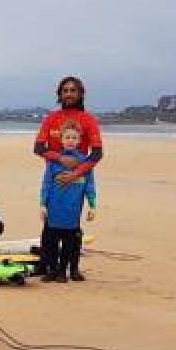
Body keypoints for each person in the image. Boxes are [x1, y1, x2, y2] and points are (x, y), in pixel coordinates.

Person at [39, 122, 97, 282]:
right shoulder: (53, 162)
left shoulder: (86, 163)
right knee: (51, 241)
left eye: (74, 137)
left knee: (70, 242)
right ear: (62, 140)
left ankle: (64, 271)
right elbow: (46, 184)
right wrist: (43, 205)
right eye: (67, 137)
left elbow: (89, 186)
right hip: (54, 208)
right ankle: (53, 270)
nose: (70, 140)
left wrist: (92, 206)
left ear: (79, 140)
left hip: (73, 210)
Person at [34, 75, 103, 186]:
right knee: (50, 204)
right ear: (60, 95)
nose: (68, 94)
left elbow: (97, 153)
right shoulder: (51, 118)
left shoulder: (89, 119)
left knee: (73, 204)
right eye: (65, 91)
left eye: (73, 90)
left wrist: (76, 173)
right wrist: (60, 158)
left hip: (78, 179)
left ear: (80, 94)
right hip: (54, 177)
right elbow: (38, 148)